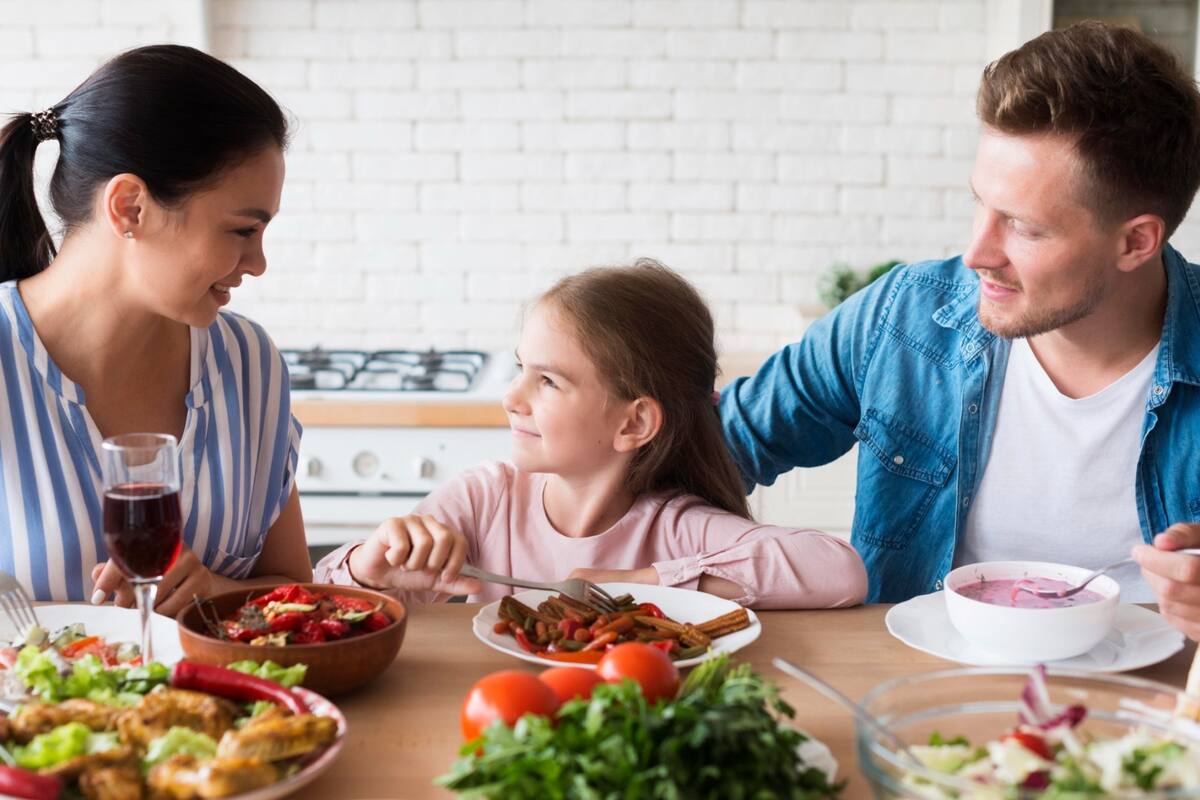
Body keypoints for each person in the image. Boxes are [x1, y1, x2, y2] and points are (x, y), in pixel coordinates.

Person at [719, 21, 1200, 633]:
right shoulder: (905, 317)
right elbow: (717, 448)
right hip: (917, 698)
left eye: (1023, 226)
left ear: (1136, 241)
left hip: (1153, 714)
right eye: (981, 204)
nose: (976, 254)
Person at [316, 261, 867, 609]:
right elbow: (324, 597)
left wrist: (640, 581)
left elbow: (840, 572)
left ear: (633, 423)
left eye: (548, 381)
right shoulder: (484, 501)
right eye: (520, 368)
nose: (511, 397)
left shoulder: (674, 528)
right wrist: (369, 566)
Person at [0, 45, 312, 615]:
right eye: (242, 230)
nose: (258, 262)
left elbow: (295, 592)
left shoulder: (249, 364)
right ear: (130, 207)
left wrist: (215, 592)